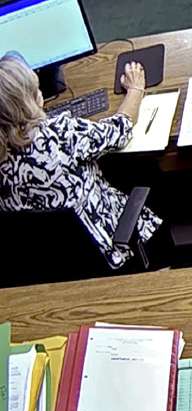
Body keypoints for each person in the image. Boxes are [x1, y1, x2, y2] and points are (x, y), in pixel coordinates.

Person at [0, 53, 162, 269]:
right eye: (35, 90)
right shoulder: (59, 134)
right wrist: (135, 89)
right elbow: (120, 130)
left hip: (44, 265)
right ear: (26, 103)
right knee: (151, 171)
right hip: (109, 249)